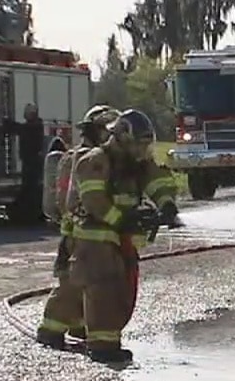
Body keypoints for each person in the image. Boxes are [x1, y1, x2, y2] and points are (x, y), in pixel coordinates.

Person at [63, 108, 179, 364]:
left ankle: (101, 340)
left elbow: (156, 179)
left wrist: (167, 204)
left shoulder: (135, 162)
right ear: (122, 139)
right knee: (103, 290)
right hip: (95, 238)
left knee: (119, 291)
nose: (142, 152)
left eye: (145, 146)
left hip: (118, 239)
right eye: (139, 145)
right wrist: (122, 219)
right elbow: (93, 201)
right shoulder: (95, 161)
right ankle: (103, 347)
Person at [35, 104, 120, 348]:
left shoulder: (97, 157)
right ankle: (51, 330)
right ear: (95, 131)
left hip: (81, 235)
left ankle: (77, 326)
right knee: (74, 286)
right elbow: (69, 202)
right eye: (107, 131)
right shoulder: (82, 159)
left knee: (85, 285)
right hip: (77, 236)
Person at [4, 103, 46, 217]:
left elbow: (21, 129)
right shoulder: (32, 126)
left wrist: (7, 124)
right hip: (29, 160)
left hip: (32, 161)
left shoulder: (35, 126)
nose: (25, 114)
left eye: (27, 112)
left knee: (29, 187)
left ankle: (28, 211)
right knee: (28, 186)